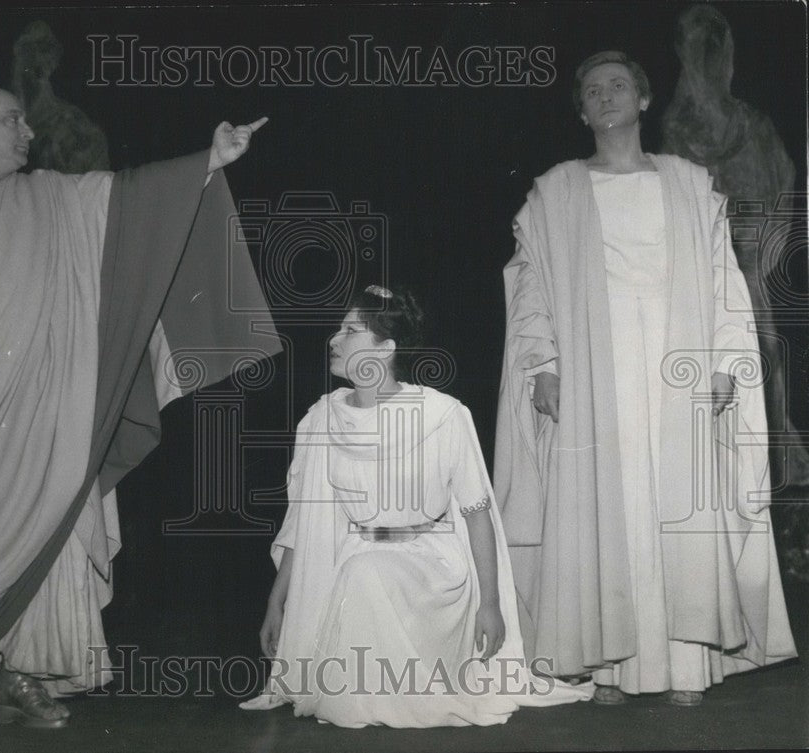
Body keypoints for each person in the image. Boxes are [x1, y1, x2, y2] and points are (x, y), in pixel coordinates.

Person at [0, 87, 281, 738]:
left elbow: (131, 199)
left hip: (43, 419)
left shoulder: (51, 198)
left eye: (24, 118)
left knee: (48, 529)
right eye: (11, 119)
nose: (27, 130)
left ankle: (28, 675)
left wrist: (209, 159)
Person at [494, 51, 797, 708]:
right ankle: (610, 666)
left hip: (676, 366)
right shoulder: (556, 189)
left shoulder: (690, 182)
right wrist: (543, 364)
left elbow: (722, 281)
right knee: (605, 511)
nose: (606, 96)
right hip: (594, 374)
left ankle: (687, 665)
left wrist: (722, 364)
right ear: (580, 110)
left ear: (643, 100)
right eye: (593, 89)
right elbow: (531, 287)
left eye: (619, 85)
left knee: (680, 510)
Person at [240, 285, 592, 727]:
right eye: (338, 329)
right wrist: (278, 603)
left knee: (365, 575)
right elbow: (302, 524)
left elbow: (476, 510)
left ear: (384, 347)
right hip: (353, 563)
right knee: (361, 573)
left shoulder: (440, 414)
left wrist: (490, 602)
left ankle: (404, 693)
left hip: (430, 569)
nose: (334, 339)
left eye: (350, 330)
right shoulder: (320, 420)